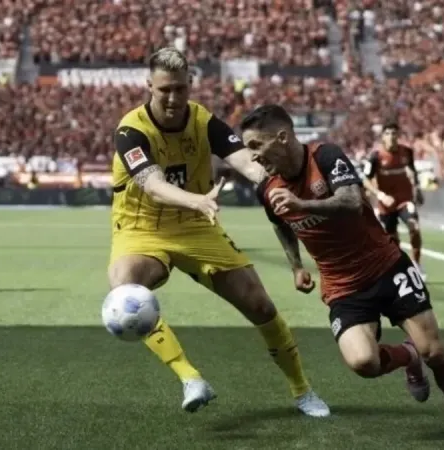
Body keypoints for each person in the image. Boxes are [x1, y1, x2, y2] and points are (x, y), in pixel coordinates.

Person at [243, 104, 444, 438]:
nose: (253, 156)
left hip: (387, 267)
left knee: (435, 352)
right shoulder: (266, 188)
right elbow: (280, 223)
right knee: (363, 362)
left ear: (282, 137)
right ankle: (408, 356)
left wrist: (303, 205)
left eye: (256, 145)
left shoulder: (325, 157)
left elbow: (352, 202)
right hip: (343, 286)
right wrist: (296, 265)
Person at [108, 48, 329, 416]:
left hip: (198, 227)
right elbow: (153, 184)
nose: (173, 98)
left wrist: (272, 182)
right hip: (142, 228)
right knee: (125, 292)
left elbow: (245, 161)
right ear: (149, 86)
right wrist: (196, 200)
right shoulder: (131, 131)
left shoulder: (203, 120)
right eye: (165, 90)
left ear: (190, 84)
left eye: (180, 89)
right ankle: (190, 378)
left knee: (260, 305)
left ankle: (302, 390)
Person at [362, 121, 426, 276]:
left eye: (394, 133)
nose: (391, 136)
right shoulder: (376, 156)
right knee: (392, 240)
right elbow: (365, 180)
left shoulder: (406, 152)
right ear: (383, 137)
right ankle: (401, 268)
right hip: (386, 204)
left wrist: (417, 188)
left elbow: (413, 171)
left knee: (414, 228)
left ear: (398, 135)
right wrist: (380, 195)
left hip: (405, 200)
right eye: (388, 133)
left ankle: (417, 265)